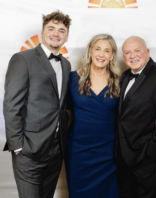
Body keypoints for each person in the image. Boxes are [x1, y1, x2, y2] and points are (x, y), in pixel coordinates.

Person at [3, 10, 72, 198]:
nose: (56, 34)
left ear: (67, 36)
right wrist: (17, 146)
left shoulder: (66, 65)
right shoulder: (23, 59)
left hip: (57, 150)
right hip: (29, 150)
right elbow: (11, 105)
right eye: (51, 28)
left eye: (61, 30)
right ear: (42, 32)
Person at [117, 36, 156, 198]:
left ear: (147, 52)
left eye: (137, 50)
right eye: (127, 52)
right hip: (123, 158)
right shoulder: (123, 77)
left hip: (146, 159)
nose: (133, 55)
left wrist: (151, 154)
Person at [66, 34, 120, 198]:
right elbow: (64, 113)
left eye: (106, 51)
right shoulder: (72, 78)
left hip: (108, 153)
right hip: (78, 152)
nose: (101, 55)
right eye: (97, 49)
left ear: (112, 56)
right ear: (90, 51)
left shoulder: (119, 81)